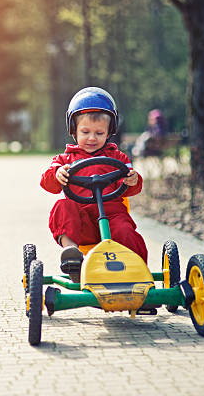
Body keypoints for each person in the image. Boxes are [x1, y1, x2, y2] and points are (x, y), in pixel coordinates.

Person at [40, 87, 148, 278]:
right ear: (74, 130)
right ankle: (72, 255)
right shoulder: (65, 160)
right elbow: (47, 183)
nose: (92, 138)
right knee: (62, 206)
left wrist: (133, 179)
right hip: (81, 223)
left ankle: (139, 274)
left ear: (109, 132)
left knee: (126, 230)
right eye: (85, 131)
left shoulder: (118, 157)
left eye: (99, 133)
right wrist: (57, 174)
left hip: (113, 215)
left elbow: (134, 185)